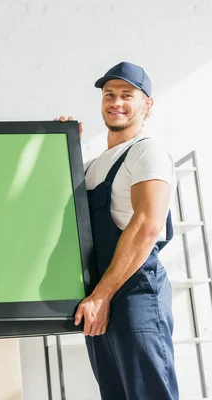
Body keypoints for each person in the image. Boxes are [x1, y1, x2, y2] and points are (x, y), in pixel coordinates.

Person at [58, 62, 178, 399]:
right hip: (102, 297)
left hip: (135, 293)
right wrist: (64, 146)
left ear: (147, 105)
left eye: (127, 95)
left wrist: (102, 295)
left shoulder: (146, 151)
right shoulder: (95, 165)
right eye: (109, 95)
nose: (116, 102)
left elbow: (147, 225)